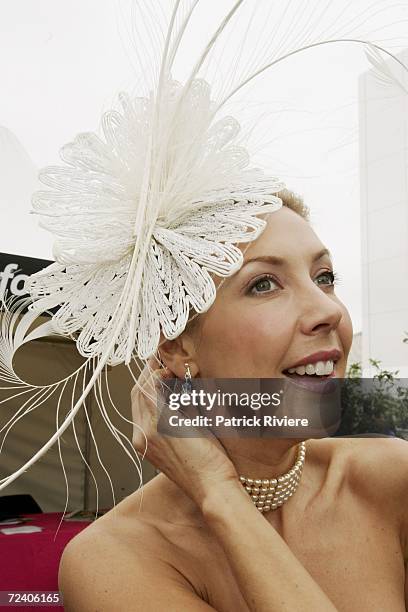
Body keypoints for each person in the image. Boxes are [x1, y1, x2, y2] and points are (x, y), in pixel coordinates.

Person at [58, 192, 408, 611]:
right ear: (175, 346)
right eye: (264, 284)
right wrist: (218, 494)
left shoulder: (389, 479)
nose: (327, 309)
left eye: (324, 277)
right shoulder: (114, 558)